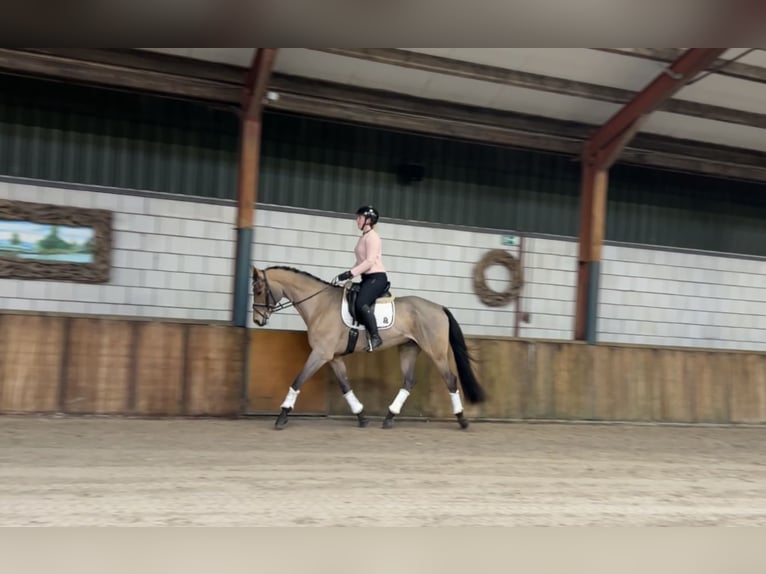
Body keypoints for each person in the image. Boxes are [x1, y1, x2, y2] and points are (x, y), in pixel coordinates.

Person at [334, 205, 388, 351]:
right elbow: (360, 262)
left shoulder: (373, 238)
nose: (357, 220)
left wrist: (350, 273)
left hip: (376, 277)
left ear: (368, 220)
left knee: (361, 303)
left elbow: (370, 261)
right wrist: (346, 275)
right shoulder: (364, 237)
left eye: (360, 217)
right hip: (367, 278)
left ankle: (376, 337)